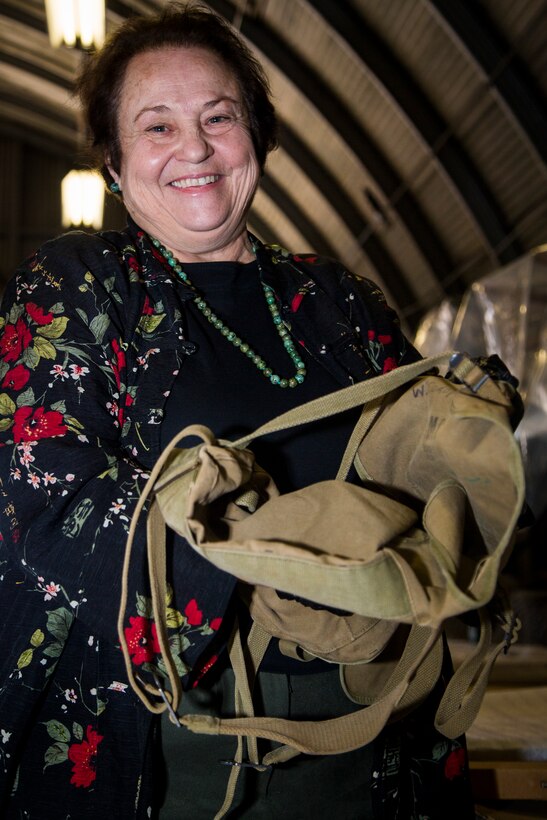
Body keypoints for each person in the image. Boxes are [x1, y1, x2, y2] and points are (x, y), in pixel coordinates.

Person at [0, 4, 476, 817]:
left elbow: (430, 469)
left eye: (218, 117)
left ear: (257, 137)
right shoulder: (79, 286)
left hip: (375, 723)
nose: (194, 148)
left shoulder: (338, 300)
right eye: (157, 126)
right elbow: (42, 499)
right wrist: (274, 559)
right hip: (177, 743)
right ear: (114, 163)